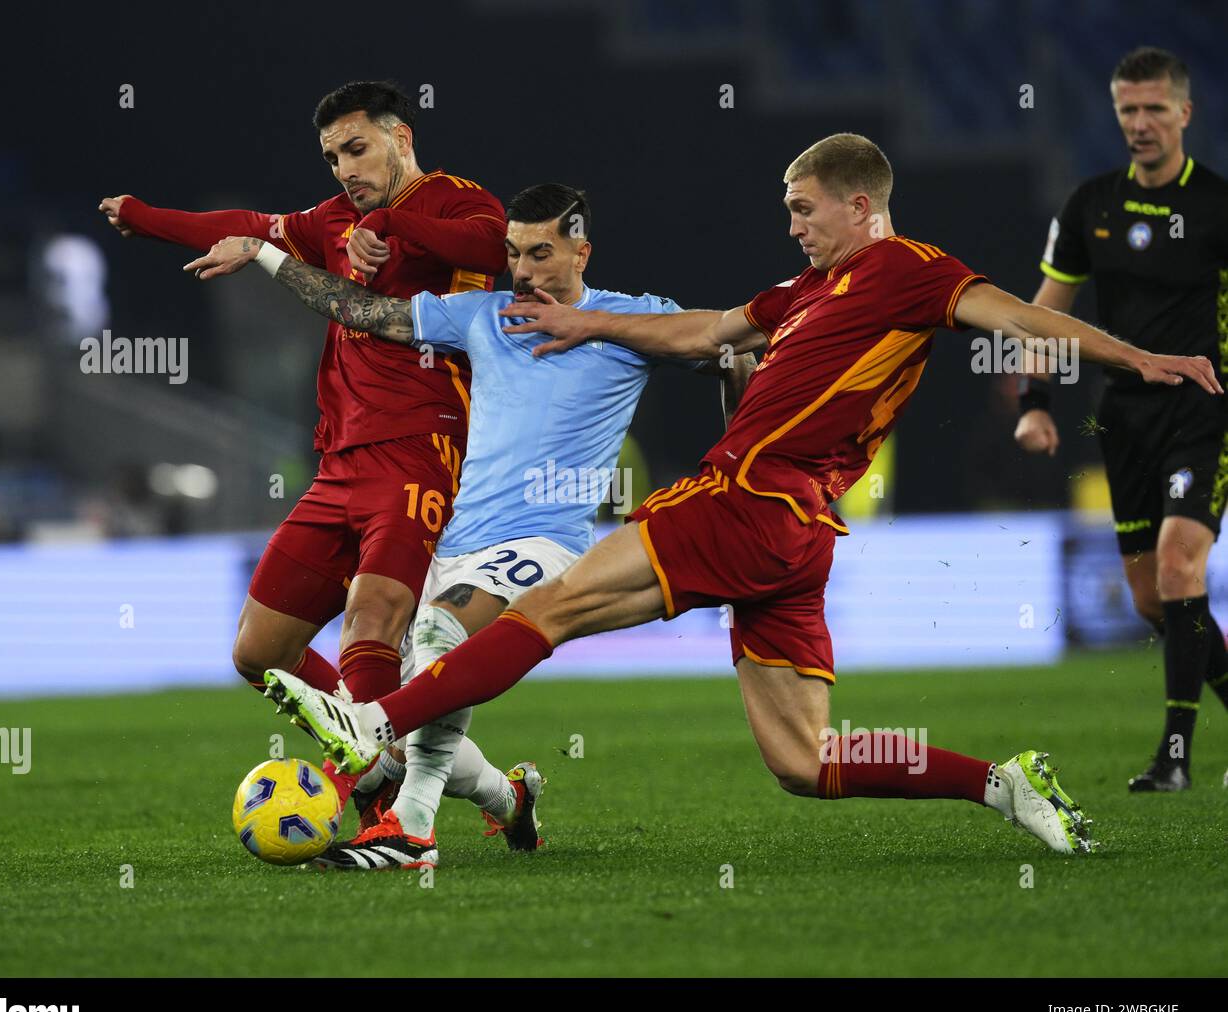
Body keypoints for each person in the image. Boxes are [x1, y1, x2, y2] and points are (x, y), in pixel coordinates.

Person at [262, 133, 1220, 856]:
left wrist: (1137, 358)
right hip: (797, 535)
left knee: (549, 608)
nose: (794, 226)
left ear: (859, 203)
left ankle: (377, 724)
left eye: (805, 210)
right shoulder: (801, 294)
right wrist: (585, 321)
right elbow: (707, 331)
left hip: (747, 496)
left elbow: (1011, 315)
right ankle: (1001, 784)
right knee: (804, 763)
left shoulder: (906, 268)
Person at [185, 182, 749, 867]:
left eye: (542, 253)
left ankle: (411, 832)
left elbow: (731, 346)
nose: (525, 270)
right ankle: (510, 801)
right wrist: (266, 253)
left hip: (544, 542)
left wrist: (736, 464)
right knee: (411, 705)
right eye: (514, 253)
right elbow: (364, 311)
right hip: (456, 539)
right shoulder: (481, 315)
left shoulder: (632, 320)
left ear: (582, 252)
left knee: (435, 636)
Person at [99, 81, 506, 808]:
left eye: (357, 148)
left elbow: (488, 244)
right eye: (331, 158)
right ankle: (467, 785)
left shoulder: (453, 200)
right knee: (259, 653)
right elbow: (249, 224)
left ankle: (394, 820)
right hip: (339, 463)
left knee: (372, 621)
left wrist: (394, 223)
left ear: (401, 138)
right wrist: (147, 219)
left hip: (421, 449)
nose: (344, 168)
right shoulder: (333, 223)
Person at [1017, 47, 1228, 792]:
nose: (1140, 124)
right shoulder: (1089, 206)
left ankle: (1175, 755)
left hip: (1206, 415)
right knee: (1151, 597)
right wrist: (1035, 404)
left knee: (1178, 565)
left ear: (1184, 114)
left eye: (1153, 110)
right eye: (1127, 111)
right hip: (1125, 420)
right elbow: (1043, 314)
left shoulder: (1218, 207)